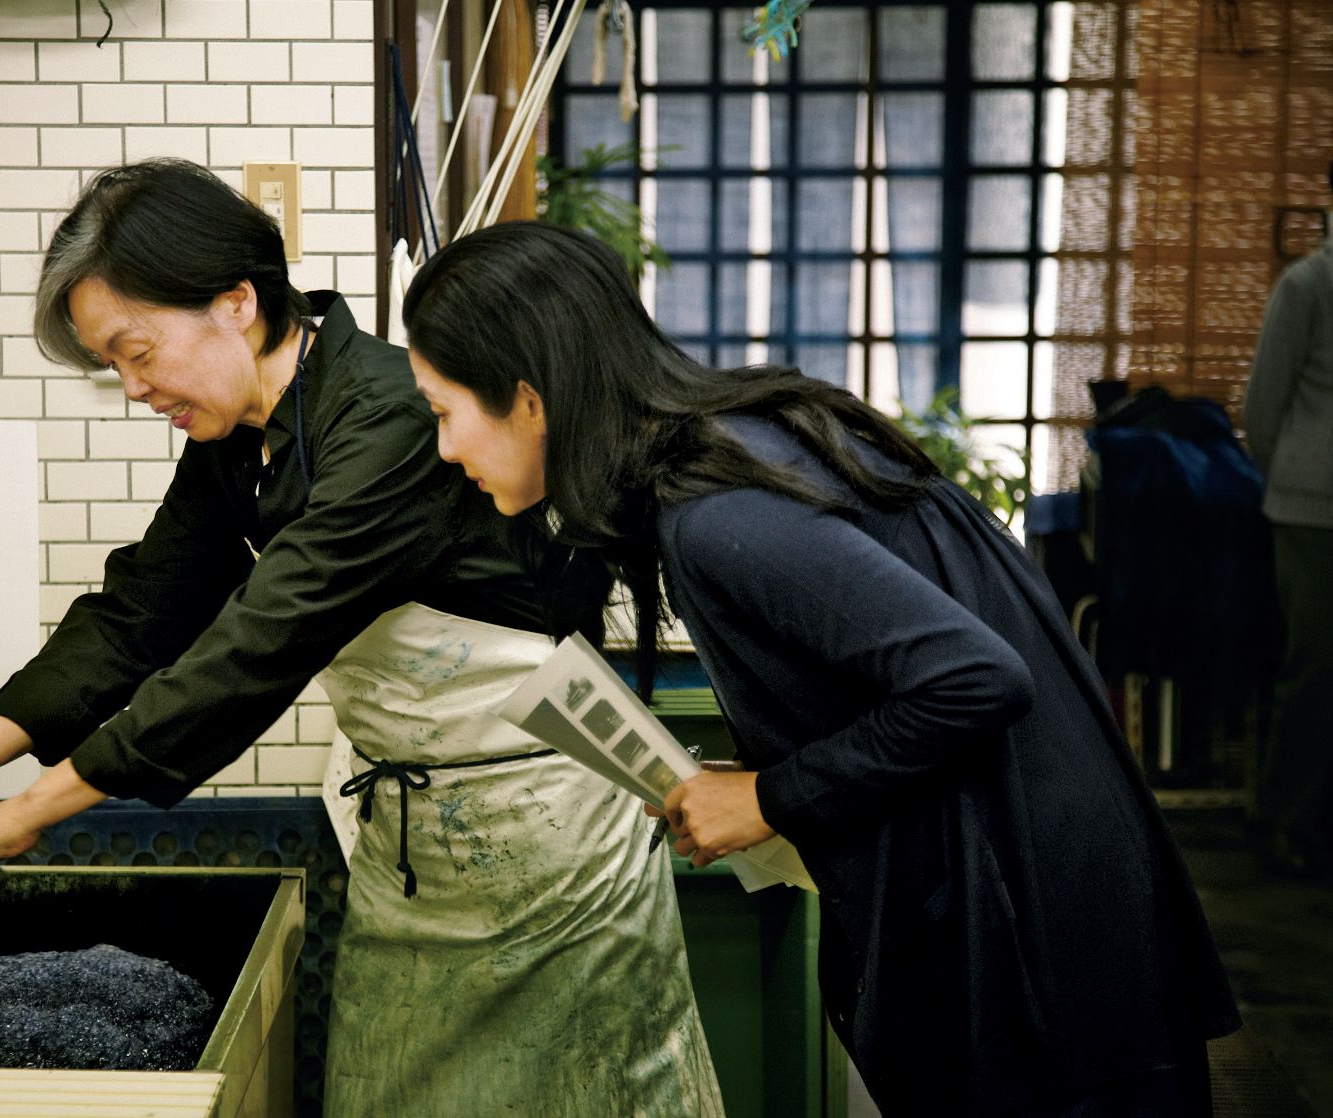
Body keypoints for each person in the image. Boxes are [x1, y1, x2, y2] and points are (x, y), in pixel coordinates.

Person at [0, 160, 724, 1116]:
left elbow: (260, 641)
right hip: (411, 853)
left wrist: (29, 811)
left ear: (235, 302)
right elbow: (139, 611)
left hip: (548, 840)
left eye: (137, 350)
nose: (131, 387)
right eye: (113, 365)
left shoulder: (395, 417)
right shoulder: (234, 440)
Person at [402, 221, 1241, 1117]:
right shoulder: (724, 447)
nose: (446, 449)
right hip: (1047, 909)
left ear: (528, 400)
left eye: (444, 411)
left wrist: (769, 798)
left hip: (1048, 943)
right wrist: (769, 780)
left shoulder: (718, 512)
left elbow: (974, 678)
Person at [1243, 129, 1333, 877]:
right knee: (1319, 673)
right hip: (1316, 515)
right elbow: (1262, 409)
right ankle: (1283, 821)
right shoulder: (1308, 287)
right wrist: (1297, 479)